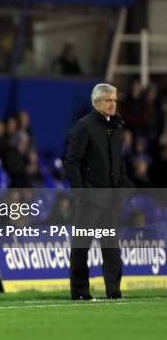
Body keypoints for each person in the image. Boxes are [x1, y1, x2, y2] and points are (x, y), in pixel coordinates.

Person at [64, 83, 131, 301]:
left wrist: (122, 185)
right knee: (81, 247)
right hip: (90, 200)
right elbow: (71, 162)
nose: (113, 104)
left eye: (114, 100)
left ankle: (114, 292)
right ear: (96, 103)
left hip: (111, 200)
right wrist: (81, 193)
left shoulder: (116, 126)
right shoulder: (83, 127)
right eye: (108, 100)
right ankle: (80, 292)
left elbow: (118, 162)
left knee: (111, 247)